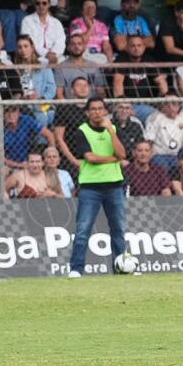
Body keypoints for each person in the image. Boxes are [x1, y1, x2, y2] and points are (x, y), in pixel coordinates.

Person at [65, 98, 128, 276]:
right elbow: (90, 158)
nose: (97, 112)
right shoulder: (82, 131)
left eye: (100, 109)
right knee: (83, 229)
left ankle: (120, 267)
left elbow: (122, 154)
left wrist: (110, 130)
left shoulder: (113, 129)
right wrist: (112, 159)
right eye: (93, 109)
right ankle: (76, 269)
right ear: (87, 112)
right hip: (90, 187)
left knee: (118, 228)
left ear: (106, 111)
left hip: (114, 186)